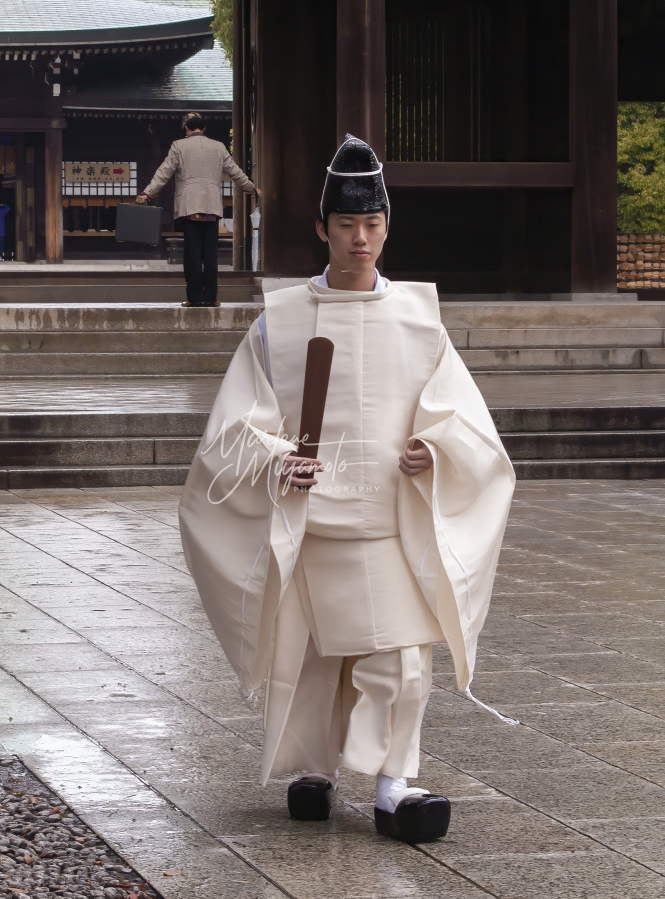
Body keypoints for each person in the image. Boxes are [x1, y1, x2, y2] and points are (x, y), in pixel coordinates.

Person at [178, 134, 516, 845]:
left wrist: (436, 447)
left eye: (371, 225)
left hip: (389, 519)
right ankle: (315, 768)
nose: (359, 239)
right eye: (345, 225)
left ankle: (393, 786)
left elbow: (465, 422)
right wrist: (275, 458)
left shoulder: (420, 321)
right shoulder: (281, 322)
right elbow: (232, 427)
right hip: (309, 519)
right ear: (320, 229)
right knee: (312, 663)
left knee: (398, 657)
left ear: (387, 227)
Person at [137, 113, 261, 308]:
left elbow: (164, 172)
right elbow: (234, 171)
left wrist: (147, 193)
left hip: (190, 206)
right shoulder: (218, 147)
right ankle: (211, 297)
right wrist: (252, 188)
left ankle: (194, 298)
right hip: (211, 206)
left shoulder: (179, 146)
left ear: (186, 128)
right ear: (204, 128)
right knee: (211, 254)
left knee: (193, 253)